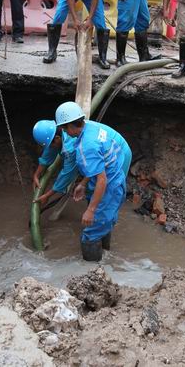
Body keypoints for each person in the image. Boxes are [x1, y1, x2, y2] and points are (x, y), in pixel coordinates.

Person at [55, 101, 132, 262]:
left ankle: (93, 275)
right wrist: (83, 183)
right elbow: (99, 165)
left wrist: (90, 210)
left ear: (70, 126)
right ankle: (106, 257)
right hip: (116, 178)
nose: (63, 132)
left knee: (90, 234)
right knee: (105, 221)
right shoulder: (93, 128)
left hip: (109, 186)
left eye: (63, 128)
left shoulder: (86, 146)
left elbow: (102, 180)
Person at [32, 120, 78, 205]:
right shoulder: (59, 133)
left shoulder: (69, 148)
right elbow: (48, 153)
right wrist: (36, 175)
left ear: (57, 138)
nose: (50, 147)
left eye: (50, 145)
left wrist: (47, 195)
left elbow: (66, 175)